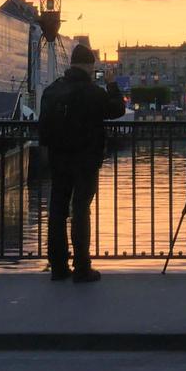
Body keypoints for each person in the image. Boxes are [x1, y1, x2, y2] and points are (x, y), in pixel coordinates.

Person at [38, 43, 126, 282]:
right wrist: (111, 84)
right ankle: (82, 266)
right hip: (86, 159)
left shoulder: (52, 91)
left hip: (58, 158)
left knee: (56, 210)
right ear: (90, 66)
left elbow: (43, 125)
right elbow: (117, 109)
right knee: (80, 211)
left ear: (71, 64)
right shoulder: (94, 92)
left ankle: (57, 266)